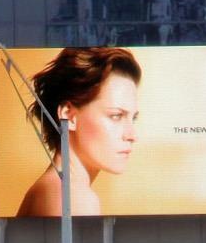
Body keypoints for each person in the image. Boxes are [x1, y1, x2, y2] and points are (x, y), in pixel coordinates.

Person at [15, 46, 141, 218]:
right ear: (68, 115)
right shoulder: (74, 198)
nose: (132, 136)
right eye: (116, 116)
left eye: (133, 118)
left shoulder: (53, 188)